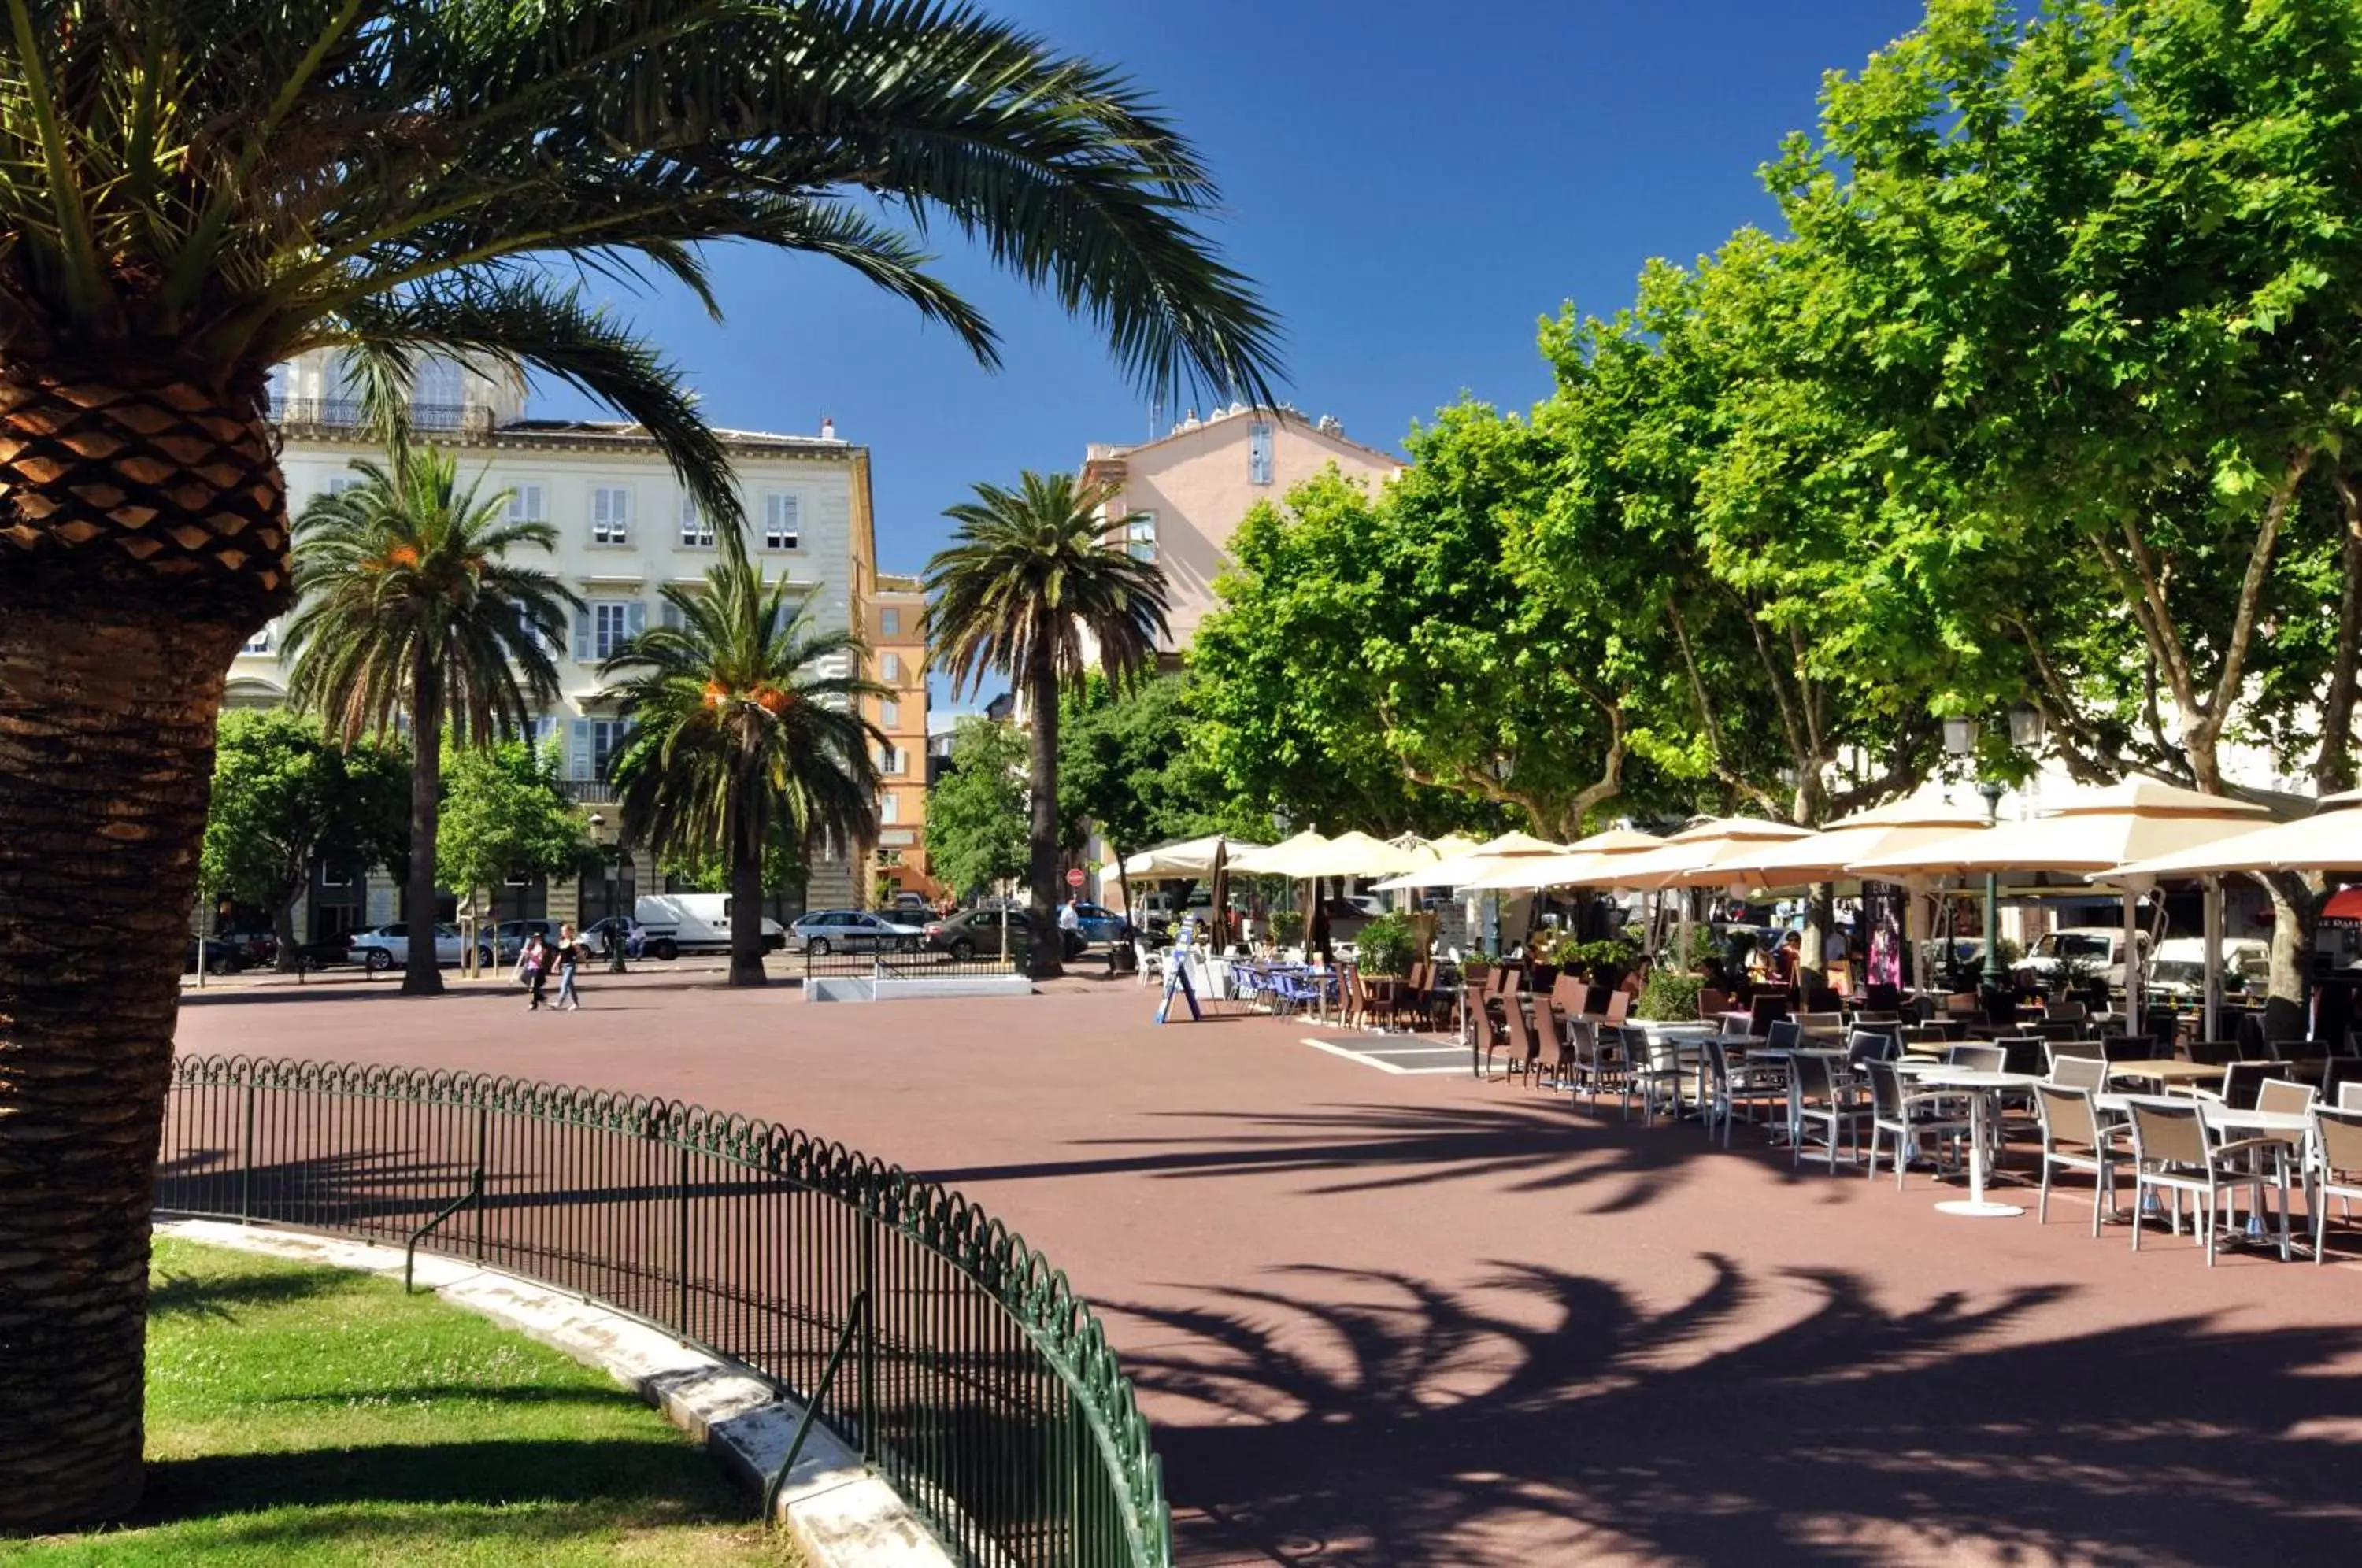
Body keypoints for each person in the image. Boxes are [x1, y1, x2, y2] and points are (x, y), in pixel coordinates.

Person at [553, 923, 583, 1011]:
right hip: (564, 966)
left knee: (564, 984)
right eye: (562, 931)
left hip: (571, 966)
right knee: (570, 986)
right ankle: (576, 1003)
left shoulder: (573, 943)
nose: (563, 933)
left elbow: (580, 953)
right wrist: (555, 965)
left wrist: (586, 963)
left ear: (570, 932)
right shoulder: (561, 942)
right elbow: (560, 955)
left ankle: (559, 1003)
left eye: (565, 931)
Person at [517, 931, 549, 1011]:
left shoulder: (543, 948)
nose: (537, 939)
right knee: (531, 987)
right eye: (535, 938)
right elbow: (527, 957)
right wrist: (525, 954)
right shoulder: (532, 946)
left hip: (537, 970)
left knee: (533, 988)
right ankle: (541, 998)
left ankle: (533, 1004)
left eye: (539, 938)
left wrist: (530, 954)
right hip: (529, 968)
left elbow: (539, 961)